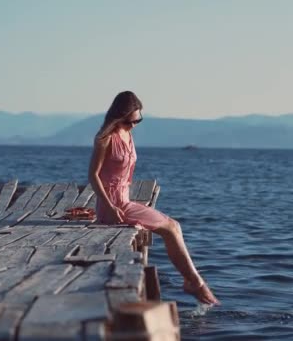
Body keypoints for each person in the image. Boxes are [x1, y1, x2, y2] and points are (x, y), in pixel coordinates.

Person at [88, 91, 219, 305]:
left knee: (173, 226)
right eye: (130, 121)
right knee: (171, 227)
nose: (134, 125)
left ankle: (193, 281)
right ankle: (194, 282)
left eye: (138, 120)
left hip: (124, 201)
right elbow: (93, 175)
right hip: (113, 207)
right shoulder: (105, 138)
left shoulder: (127, 135)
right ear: (119, 116)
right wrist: (110, 206)